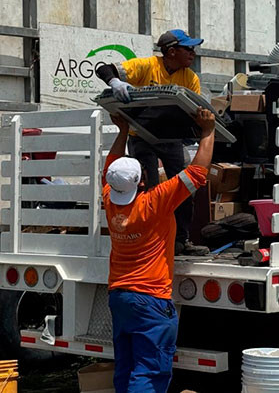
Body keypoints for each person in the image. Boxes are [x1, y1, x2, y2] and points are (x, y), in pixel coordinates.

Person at [104, 107, 216, 392]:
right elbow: (197, 173)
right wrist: (208, 131)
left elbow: (111, 168)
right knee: (149, 372)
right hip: (150, 299)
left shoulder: (110, 200)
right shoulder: (154, 203)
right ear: (142, 179)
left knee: (126, 367)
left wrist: (122, 131)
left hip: (120, 296)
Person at [96, 29, 208, 256]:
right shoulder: (148, 66)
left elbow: (193, 113)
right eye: (189, 48)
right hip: (142, 137)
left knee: (184, 188)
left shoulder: (190, 78)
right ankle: (149, 239)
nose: (193, 53)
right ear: (172, 51)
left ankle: (181, 240)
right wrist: (115, 82)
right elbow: (103, 69)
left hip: (171, 139)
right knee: (149, 189)